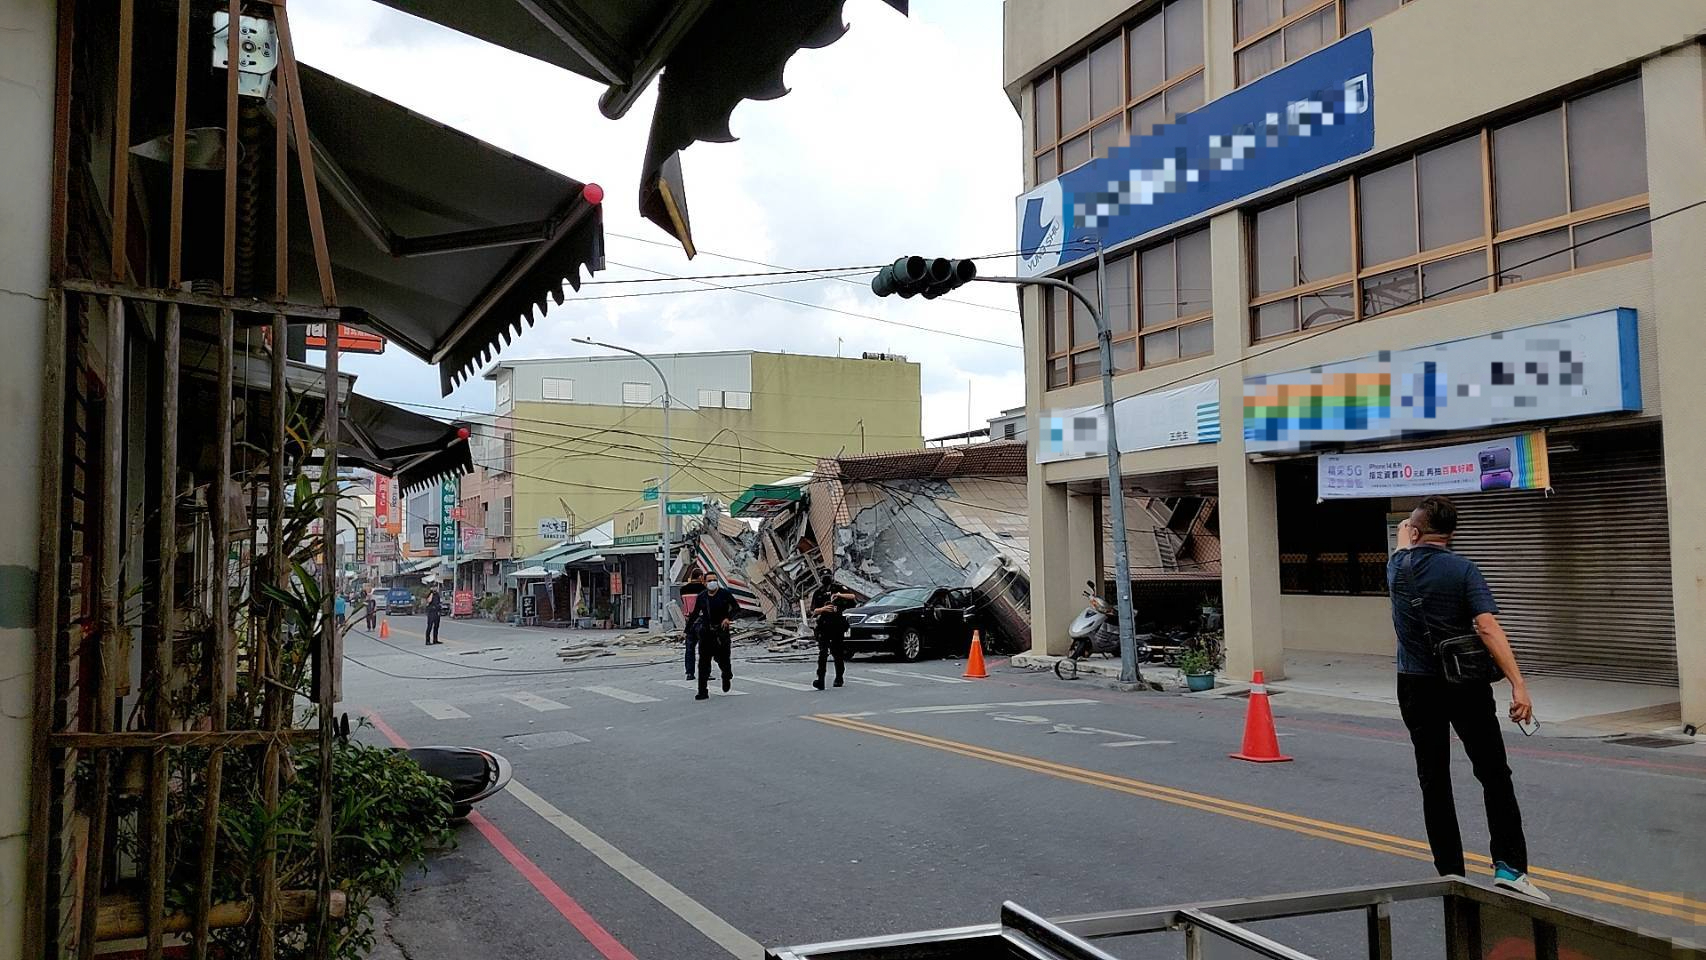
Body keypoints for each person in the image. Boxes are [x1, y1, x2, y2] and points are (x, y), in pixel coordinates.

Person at [1389, 495, 1546, 901]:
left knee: (1434, 779)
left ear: (1416, 530)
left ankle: (1451, 874)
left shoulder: (1396, 568)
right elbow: (1488, 627)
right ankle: (1510, 868)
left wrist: (1406, 536)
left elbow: (1404, 551)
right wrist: (1518, 683)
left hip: (1416, 685)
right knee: (1494, 773)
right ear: (1452, 535)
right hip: (1465, 685)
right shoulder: (1463, 569)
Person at [689, 578, 739, 700]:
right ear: (705, 583)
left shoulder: (724, 594)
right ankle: (702, 691)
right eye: (709, 580)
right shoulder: (702, 596)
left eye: (714, 580)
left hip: (721, 632)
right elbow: (695, 613)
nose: (712, 582)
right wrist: (687, 630)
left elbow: (736, 608)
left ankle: (726, 675)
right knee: (703, 663)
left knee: (723, 659)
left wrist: (728, 618)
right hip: (706, 633)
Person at [809, 584, 858, 690]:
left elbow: (853, 597)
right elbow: (813, 611)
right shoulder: (818, 592)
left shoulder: (838, 589)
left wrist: (840, 595)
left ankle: (839, 677)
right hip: (824, 626)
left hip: (837, 626)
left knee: (837, 653)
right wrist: (823, 609)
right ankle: (820, 679)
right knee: (823, 653)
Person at [680, 573, 707, 682]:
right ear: (700, 577)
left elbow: (683, 603)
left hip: (689, 621)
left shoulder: (683, 589)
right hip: (702, 621)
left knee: (689, 649)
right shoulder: (704, 589)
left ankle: (690, 673)